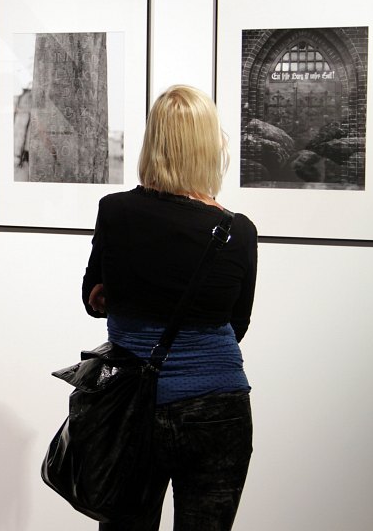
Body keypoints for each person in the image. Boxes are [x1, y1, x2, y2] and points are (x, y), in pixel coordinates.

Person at [82, 85, 258, 531]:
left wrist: (115, 299)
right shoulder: (238, 231)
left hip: (131, 405)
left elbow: (92, 299)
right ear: (209, 147)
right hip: (218, 407)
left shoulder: (115, 211)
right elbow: (236, 324)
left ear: (154, 141)